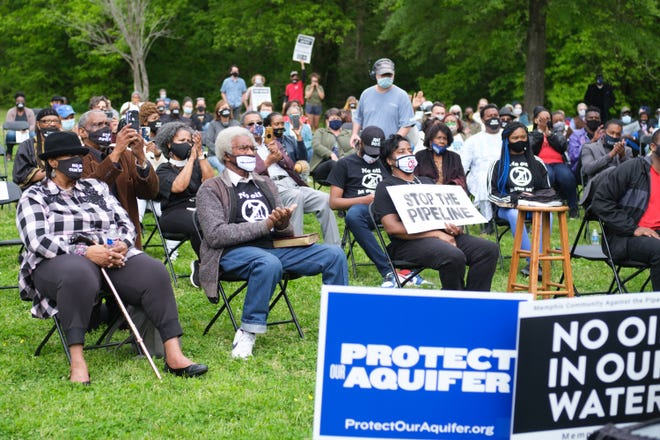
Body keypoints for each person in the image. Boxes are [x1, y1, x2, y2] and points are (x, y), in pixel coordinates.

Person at [16, 131, 208, 383]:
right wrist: (85, 252)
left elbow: (125, 223)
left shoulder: (95, 187)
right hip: (57, 262)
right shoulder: (35, 195)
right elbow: (37, 241)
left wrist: (120, 245)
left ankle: (174, 354)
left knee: (154, 271)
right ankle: (77, 361)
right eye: (70, 156)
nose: (77, 160)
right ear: (53, 161)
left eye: (80, 155)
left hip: (109, 254)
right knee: (79, 273)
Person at [196, 126, 348, 358]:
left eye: (252, 148)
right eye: (243, 148)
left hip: (272, 248)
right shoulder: (211, 188)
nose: (250, 152)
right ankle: (248, 330)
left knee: (333, 255)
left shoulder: (264, 184)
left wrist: (282, 223)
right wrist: (265, 225)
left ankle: (339, 326)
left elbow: (282, 232)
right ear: (227, 155)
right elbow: (216, 235)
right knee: (267, 263)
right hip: (229, 254)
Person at [373, 134, 498, 291]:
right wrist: (436, 234)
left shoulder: (427, 182)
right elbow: (392, 228)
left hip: (443, 236)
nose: (408, 155)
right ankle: (454, 301)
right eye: (401, 152)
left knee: (488, 250)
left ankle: (474, 299)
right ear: (390, 161)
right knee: (453, 255)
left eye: (409, 150)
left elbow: (445, 212)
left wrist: (455, 226)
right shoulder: (386, 187)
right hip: (408, 243)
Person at [245, 111, 340, 245]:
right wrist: (268, 161)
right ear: (243, 127)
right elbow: (249, 173)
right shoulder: (245, 148)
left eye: (259, 123)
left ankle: (335, 248)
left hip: (290, 183)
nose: (256, 126)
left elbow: (291, 165)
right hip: (270, 186)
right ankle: (295, 248)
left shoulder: (272, 141)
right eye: (250, 124)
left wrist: (279, 154)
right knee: (295, 196)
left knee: (324, 199)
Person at [590, 130, 660, 291]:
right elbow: (600, 202)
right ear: (653, 147)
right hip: (623, 237)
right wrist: (633, 228)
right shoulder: (632, 168)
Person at [78, 110, 159, 249]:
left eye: (107, 124)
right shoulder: (77, 159)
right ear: (82, 132)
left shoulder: (126, 156)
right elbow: (92, 192)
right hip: (95, 237)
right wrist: (116, 152)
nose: (105, 128)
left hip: (127, 235)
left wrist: (140, 157)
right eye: (98, 124)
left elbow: (150, 192)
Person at [327, 126, 393, 286]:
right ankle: (388, 270)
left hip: (387, 209)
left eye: (376, 152)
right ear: (360, 143)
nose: (373, 156)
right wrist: (363, 200)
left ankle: (407, 267)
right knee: (354, 215)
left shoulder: (385, 162)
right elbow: (334, 202)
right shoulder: (345, 164)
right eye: (370, 151)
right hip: (362, 211)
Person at [487, 121, 555, 275]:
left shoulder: (537, 162)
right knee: (516, 214)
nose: (520, 141)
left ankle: (536, 261)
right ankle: (533, 262)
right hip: (508, 209)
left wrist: (532, 199)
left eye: (523, 137)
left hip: (534, 206)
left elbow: (548, 191)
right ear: (507, 140)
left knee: (548, 215)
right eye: (515, 138)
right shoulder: (497, 164)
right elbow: (492, 194)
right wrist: (515, 200)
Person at [154, 122, 214, 287]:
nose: (187, 144)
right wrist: (191, 159)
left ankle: (208, 265)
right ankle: (206, 265)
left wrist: (200, 154)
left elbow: (209, 182)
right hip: (173, 214)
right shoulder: (163, 170)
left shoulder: (196, 164)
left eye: (189, 141)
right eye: (182, 140)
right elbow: (179, 186)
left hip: (198, 209)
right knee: (198, 219)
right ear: (169, 144)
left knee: (209, 218)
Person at [350, 58, 415, 145]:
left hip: (390, 147)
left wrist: (392, 143)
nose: (386, 78)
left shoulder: (402, 96)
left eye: (389, 75)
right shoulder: (366, 94)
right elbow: (358, 118)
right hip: (367, 145)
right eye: (383, 75)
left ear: (394, 75)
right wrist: (354, 134)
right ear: (375, 75)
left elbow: (406, 125)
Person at [529, 106, 579, 218]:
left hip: (558, 162)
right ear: (535, 120)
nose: (545, 120)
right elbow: (532, 149)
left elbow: (562, 147)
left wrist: (550, 135)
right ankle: (546, 206)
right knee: (549, 175)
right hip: (541, 163)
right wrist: (539, 134)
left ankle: (573, 209)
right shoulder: (532, 134)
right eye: (542, 118)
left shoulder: (556, 132)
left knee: (567, 177)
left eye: (548, 118)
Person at [460, 103, 502, 231]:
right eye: (490, 116)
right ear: (483, 119)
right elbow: (463, 164)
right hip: (480, 174)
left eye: (496, 115)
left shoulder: (507, 136)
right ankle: (488, 221)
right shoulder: (473, 140)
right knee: (484, 179)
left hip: (504, 171)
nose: (493, 118)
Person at [580, 119, 632, 205]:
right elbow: (587, 169)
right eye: (611, 133)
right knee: (612, 170)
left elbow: (631, 174)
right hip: (596, 189)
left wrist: (622, 156)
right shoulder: (589, 147)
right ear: (604, 132)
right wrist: (610, 155)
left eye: (618, 134)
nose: (614, 136)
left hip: (621, 191)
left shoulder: (627, 150)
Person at [13, 109, 61, 189]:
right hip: (36, 189)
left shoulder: (66, 143)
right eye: (46, 121)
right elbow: (21, 175)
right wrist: (53, 173)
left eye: (55, 121)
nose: (52, 124)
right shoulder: (27, 146)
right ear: (38, 124)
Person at [415, 123, 467, 192]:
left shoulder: (455, 157)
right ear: (430, 141)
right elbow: (415, 178)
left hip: (450, 195)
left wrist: (449, 185)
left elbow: (461, 179)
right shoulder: (420, 156)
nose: (442, 141)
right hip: (426, 194)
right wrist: (433, 184)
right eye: (438, 138)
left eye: (444, 138)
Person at [310, 108, 353, 184]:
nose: (336, 120)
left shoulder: (348, 133)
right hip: (323, 168)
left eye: (338, 118)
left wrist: (343, 156)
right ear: (327, 121)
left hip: (345, 164)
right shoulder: (321, 132)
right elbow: (315, 145)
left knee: (342, 165)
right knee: (333, 163)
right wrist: (331, 154)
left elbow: (356, 148)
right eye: (333, 119)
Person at [203, 99, 241, 173]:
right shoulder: (213, 124)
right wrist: (220, 153)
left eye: (227, 108)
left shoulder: (236, 123)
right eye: (223, 108)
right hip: (215, 155)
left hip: (233, 154)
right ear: (218, 111)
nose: (225, 110)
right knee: (223, 167)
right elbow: (208, 141)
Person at [567, 105, 603, 178]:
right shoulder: (576, 135)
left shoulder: (603, 135)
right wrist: (592, 141)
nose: (594, 120)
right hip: (581, 170)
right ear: (585, 120)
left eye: (596, 118)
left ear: (600, 120)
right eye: (591, 118)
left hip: (601, 166)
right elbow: (573, 156)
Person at [5, 92, 36, 161]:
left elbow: (32, 125)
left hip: (27, 132)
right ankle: (9, 153)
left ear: (24, 102)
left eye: (22, 101)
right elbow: (9, 125)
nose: (20, 103)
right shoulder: (10, 111)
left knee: (33, 135)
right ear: (15, 102)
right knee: (10, 134)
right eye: (18, 101)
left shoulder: (30, 111)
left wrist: (26, 130)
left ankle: (32, 154)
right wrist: (19, 130)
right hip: (15, 132)